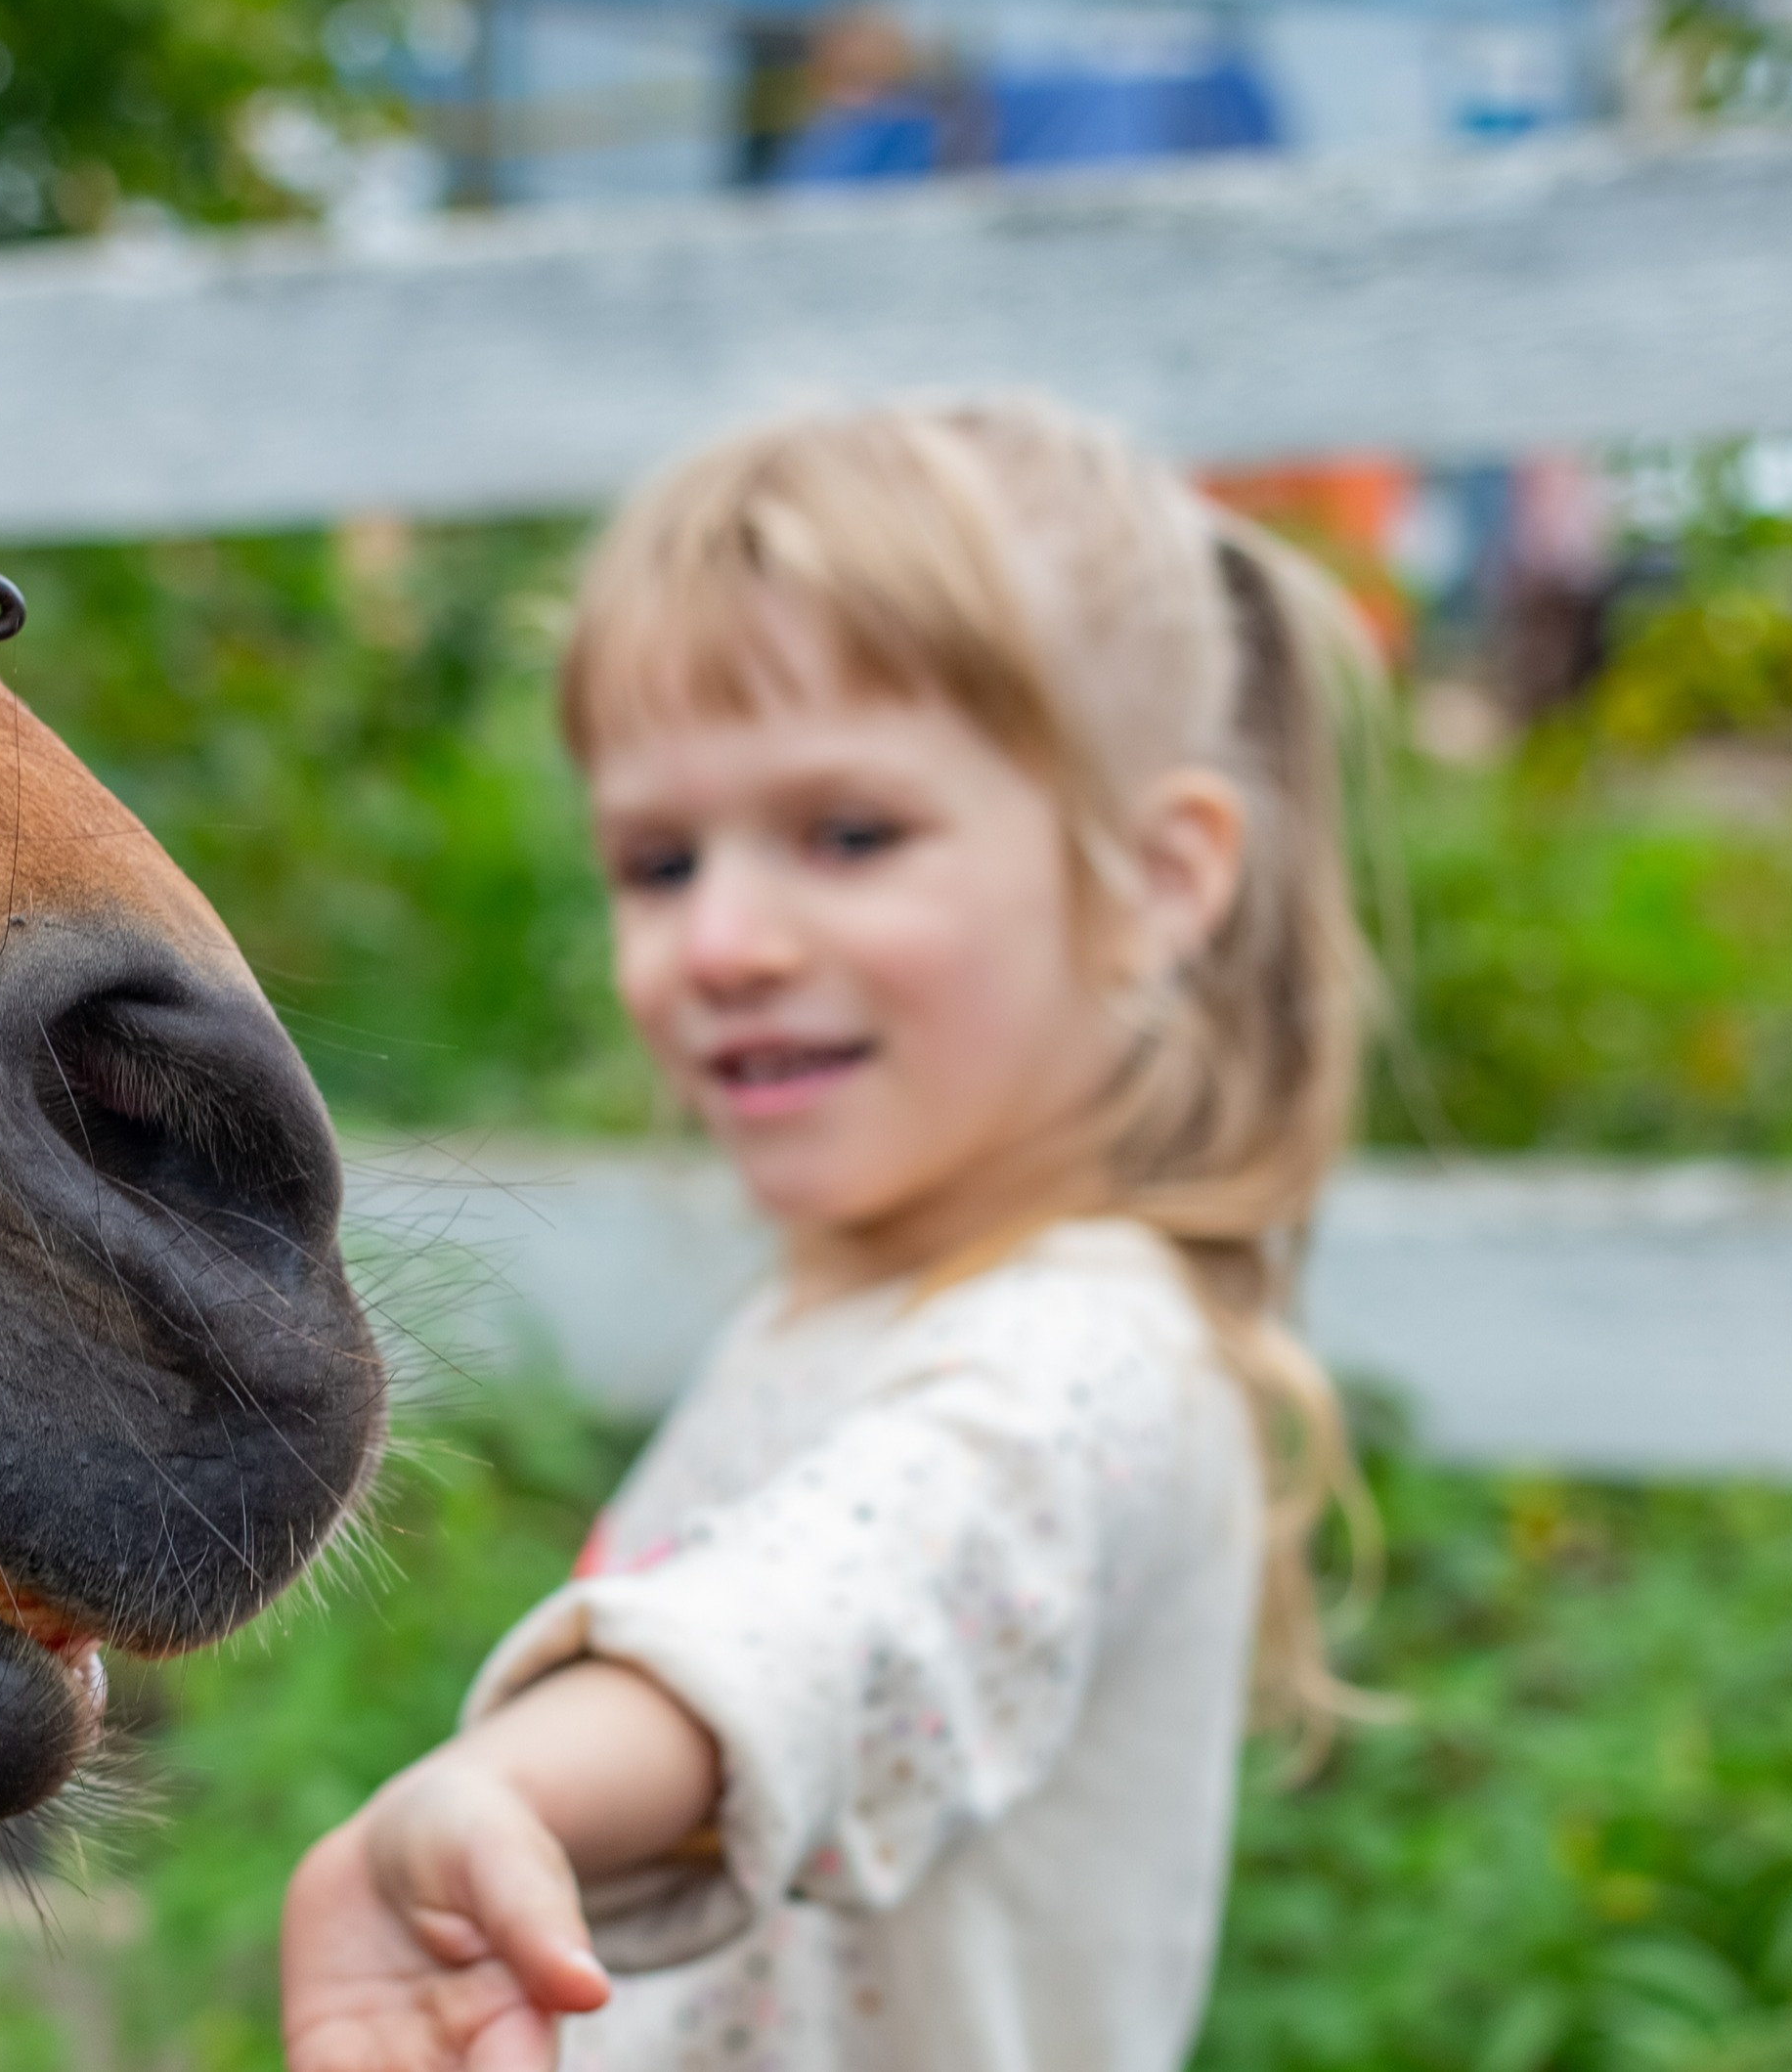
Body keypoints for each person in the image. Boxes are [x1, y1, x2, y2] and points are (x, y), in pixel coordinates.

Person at [282, 399, 1381, 2072]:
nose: (719, 940)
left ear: (1159, 878)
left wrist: (504, 1786)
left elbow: (838, 1616)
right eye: (658, 859)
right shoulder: (839, 1312)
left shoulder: (1085, 1359)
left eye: (850, 834)